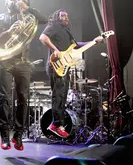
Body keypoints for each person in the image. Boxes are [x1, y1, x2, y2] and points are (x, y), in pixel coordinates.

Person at [0, 0, 48, 151]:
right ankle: (4, 135)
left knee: (23, 99)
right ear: (6, 2)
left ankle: (18, 135)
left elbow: (44, 19)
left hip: (23, 61)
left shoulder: (28, 16)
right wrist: (9, 32)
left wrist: (27, 8)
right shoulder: (0, 18)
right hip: (5, 61)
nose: (17, 1)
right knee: (5, 98)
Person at [39, 9, 102, 138]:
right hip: (55, 65)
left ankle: (57, 124)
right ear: (57, 17)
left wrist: (93, 42)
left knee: (62, 95)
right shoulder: (54, 26)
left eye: (67, 16)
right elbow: (43, 37)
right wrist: (55, 50)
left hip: (64, 66)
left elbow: (76, 45)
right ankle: (56, 124)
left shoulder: (66, 31)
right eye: (63, 16)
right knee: (58, 95)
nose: (66, 18)